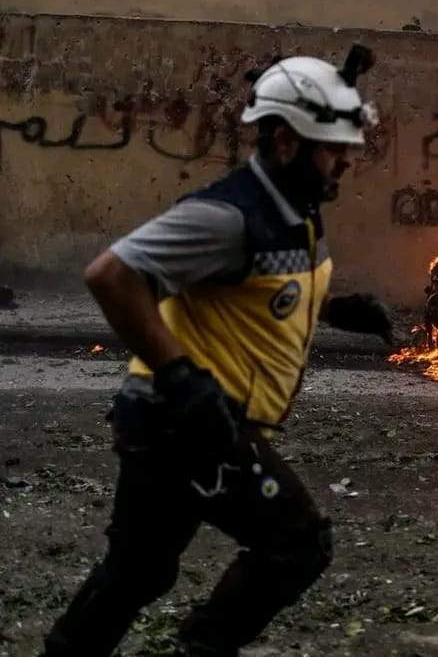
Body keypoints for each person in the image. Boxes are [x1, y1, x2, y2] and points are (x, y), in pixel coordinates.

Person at [39, 43, 393, 657]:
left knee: (139, 573)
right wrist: (180, 377)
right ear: (285, 142)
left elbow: (259, 288)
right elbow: (112, 275)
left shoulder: (295, 210)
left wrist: (335, 308)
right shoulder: (228, 216)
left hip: (174, 424)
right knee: (297, 543)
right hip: (187, 428)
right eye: (334, 147)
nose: (348, 160)